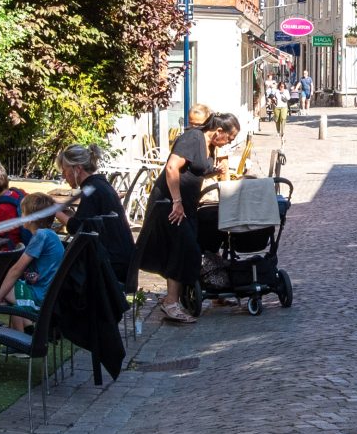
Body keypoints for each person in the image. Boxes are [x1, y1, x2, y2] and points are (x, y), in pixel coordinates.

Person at [136, 112, 236, 323]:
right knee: (183, 248)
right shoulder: (192, 138)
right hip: (170, 204)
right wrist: (177, 201)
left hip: (186, 204)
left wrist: (213, 171)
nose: (229, 142)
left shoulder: (210, 145)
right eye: (230, 137)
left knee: (194, 244)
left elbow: (195, 170)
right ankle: (170, 303)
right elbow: (172, 167)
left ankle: (205, 292)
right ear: (218, 131)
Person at [59, 144, 137, 299]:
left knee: (58, 259)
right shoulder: (99, 184)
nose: (63, 175)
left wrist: (56, 212)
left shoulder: (91, 189)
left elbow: (79, 229)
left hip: (110, 265)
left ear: (77, 169)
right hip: (124, 260)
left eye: (65, 169)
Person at [0, 222, 67, 315]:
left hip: (38, 297)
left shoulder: (41, 235)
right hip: (40, 292)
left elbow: (16, 270)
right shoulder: (48, 234)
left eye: (23, 213)